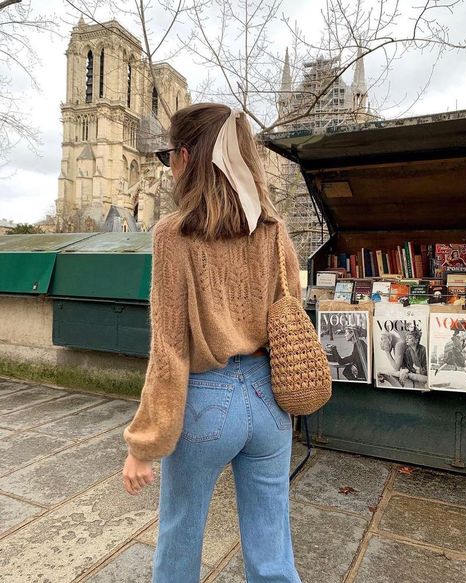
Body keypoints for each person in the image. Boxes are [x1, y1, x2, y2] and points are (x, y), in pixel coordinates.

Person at [121, 103, 303, 583]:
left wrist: (144, 444)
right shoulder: (273, 229)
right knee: (272, 552)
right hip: (270, 403)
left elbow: (169, 348)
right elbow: (291, 315)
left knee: (180, 545)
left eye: (168, 158)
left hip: (204, 403)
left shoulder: (172, 234)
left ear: (184, 157)